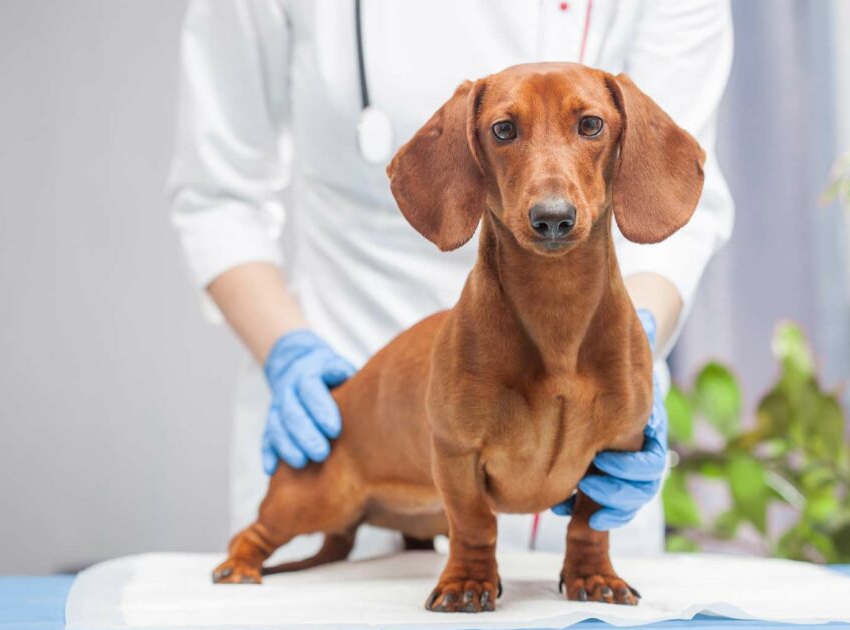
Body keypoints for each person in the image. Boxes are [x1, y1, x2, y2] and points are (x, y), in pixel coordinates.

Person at [167, 0, 734, 560]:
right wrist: (286, 350)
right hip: (359, 391)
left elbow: (666, 188)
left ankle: (585, 547)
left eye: (588, 126)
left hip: (587, 436)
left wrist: (629, 345)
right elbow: (218, 195)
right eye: (506, 131)